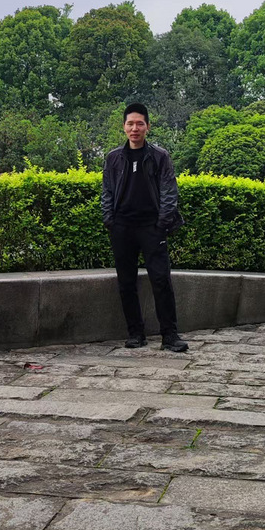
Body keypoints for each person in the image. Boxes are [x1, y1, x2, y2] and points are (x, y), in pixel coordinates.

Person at [102, 102, 188, 352]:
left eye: (139, 123)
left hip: (152, 227)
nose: (135, 128)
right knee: (126, 282)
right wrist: (110, 220)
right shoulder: (113, 158)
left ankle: (170, 335)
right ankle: (135, 334)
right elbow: (107, 191)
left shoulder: (160, 156)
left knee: (161, 280)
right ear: (124, 127)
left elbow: (169, 192)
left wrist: (162, 223)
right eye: (130, 124)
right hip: (122, 227)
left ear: (148, 126)